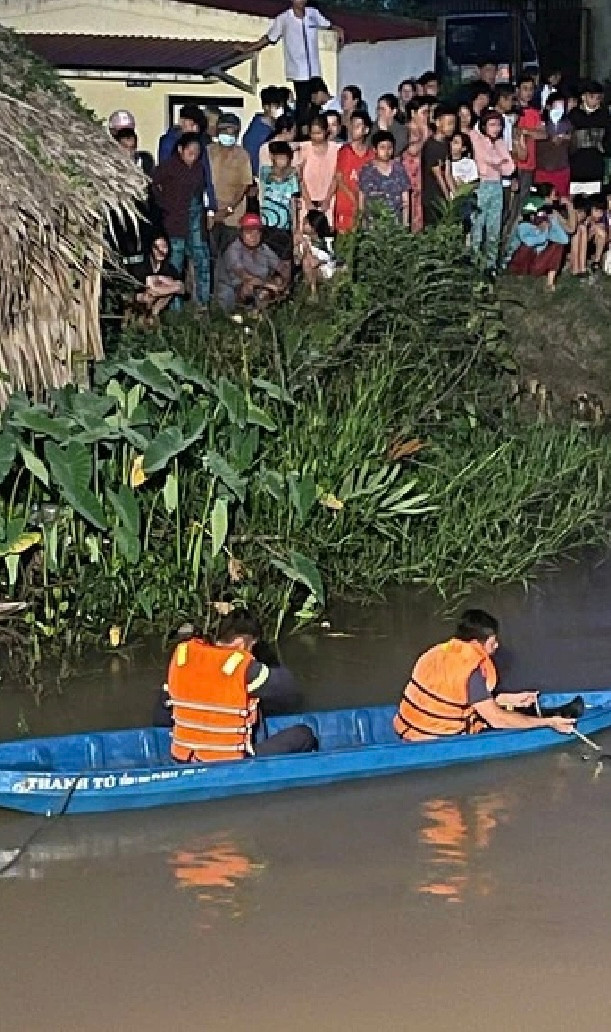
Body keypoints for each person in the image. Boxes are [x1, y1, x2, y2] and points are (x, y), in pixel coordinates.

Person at [393, 608, 576, 742]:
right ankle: (555, 717)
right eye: (493, 642)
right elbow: (496, 719)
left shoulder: (435, 653)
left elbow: (452, 695)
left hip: (406, 728)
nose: (496, 646)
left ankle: (549, 715)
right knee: (507, 721)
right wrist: (548, 723)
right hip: (434, 738)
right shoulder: (471, 668)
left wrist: (507, 700)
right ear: (476, 642)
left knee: (508, 710)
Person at [156, 611, 317, 760]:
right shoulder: (243, 667)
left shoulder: (183, 655)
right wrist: (267, 657)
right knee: (304, 734)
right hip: (228, 761)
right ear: (241, 644)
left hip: (183, 758)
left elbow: (161, 716)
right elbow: (291, 691)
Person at [248, 0, 345, 137]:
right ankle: (302, 133)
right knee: (303, 108)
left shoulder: (313, 14)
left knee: (319, 102)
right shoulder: (284, 19)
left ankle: (318, 131)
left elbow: (328, 25)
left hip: (315, 71)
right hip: (299, 73)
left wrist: (339, 30)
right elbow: (270, 37)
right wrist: (249, 48)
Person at [151, 133, 212, 309]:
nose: (193, 156)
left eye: (197, 153)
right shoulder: (168, 167)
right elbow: (153, 186)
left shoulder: (199, 169)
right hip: (174, 223)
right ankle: (174, 309)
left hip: (194, 222)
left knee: (202, 261)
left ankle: (203, 304)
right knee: (175, 267)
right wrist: (165, 205)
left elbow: (201, 193)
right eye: (190, 152)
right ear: (180, 150)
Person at [216, 213, 291, 313]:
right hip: (234, 292)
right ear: (241, 233)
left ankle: (263, 312)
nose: (253, 236)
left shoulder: (263, 248)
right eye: (249, 232)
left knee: (277, 280)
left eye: (257, 232)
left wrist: (283, 282)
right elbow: (244, 275)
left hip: (262, 288)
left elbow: (281, 267)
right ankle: (245, 311)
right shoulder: (233, 250)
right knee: (249, 287)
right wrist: (270, 286)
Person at [470, 108, 515, 270]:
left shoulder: (500, 143)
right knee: (477, 226)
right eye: (492, 125)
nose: (496, 128)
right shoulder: (477, 139)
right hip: (482, 185)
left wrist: (500, 161)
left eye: (499, 125)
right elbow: (487, 158)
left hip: (496, 185)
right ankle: (474, 263)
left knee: (494, 227)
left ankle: (491, 265)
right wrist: (499, 160)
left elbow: (509, 168)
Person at [207, 112, 253, 256]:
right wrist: (212, 211)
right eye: (225, 131)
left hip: (233, 214)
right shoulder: (208, 152)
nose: (228, 135)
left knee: (231, 257)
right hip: (210, 214)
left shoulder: (242, 155)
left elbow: (244, 185)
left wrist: (228, 209)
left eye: (232, 132)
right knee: (210, 256)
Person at [506, 197, 568, 290]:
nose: (544, 216)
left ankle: (550, 282)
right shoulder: (523, 226)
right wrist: (544, 232)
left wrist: (553, 224)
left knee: (557, 246)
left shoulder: (547, 223)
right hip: (519, 263)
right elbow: (529, 242)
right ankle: (519, 277)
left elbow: (564, 240)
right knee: (526, 248)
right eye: (541, 213)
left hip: (536, 263)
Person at [358, 130, 410, 228]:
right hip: (374, 226)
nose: (386, 151)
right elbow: (362, 200)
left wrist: (405, 224)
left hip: (395, 225)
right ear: (374, 149)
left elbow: (405, 199)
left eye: (389, 147)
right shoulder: (367, 171)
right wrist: (362, 225)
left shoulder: (399, 169)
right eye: (382, 147)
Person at [297, 112, 340, 228]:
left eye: (319, 133)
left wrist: (327, 199)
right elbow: (299, 177)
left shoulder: (335, 150)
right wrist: (308, 202)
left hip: (329, 201)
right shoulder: (304, 148)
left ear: (326, 131)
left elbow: (336, 176)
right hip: (307, 202)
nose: (315, 137)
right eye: (313, 133)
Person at [568, 80, 611, 196]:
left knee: (594, 202)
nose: (595, 100)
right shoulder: (574, 115)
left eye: (598, 97)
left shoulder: (604, 115)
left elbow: (608, 140)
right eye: (592, 96)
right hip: (576, 166)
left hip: (596, 166)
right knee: (576, 203)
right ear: (583, 97)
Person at [333, 110, 373, 233]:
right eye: (352, 125)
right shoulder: (345, 151)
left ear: (366, 130)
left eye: (357, 126)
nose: (353, 129)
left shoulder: (371, 154)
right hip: (346, 205)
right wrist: (353, 198)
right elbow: (339, 178)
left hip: (365, 207)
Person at [260, 141, 300, 258]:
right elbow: (271, 178)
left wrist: (295, 227)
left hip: (284, 225)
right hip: (267, 223)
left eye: (285, 158)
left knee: (284, 259)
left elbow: (293, 202)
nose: (283, 161)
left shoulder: (292, 178)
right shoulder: (265, 172)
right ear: (273, 157)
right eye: (280, 157)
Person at [131, 232, 185, 317]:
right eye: (157, 247)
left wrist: (160, 279)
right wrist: (165, 282)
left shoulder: (168, 267)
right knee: (149, 295)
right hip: (137, 294)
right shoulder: (143, 265)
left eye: (164, 246)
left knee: (167, 293)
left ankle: (154, 315)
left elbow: (181, 287)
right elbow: (152, 289)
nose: (161, 250)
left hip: (155, 296)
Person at [421, 104, 456, 228]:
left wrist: (456, 195)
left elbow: (447, 173)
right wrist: (447, 198)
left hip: (441, 197)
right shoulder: (431, 146)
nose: (452, 127)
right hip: (432, 197)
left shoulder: (446, 144)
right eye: (449, 123)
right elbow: (438, 175)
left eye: (453, 123)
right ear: (437, 122)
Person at [535, 92, 572, 199]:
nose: (559, 110)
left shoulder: (568, 125)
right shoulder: (540, 124)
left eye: (562, 107)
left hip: (561, 170)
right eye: (556, 106)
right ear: (548, 107)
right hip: (543, 170)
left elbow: (572, 144)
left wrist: (566, 138)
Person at [295, 209, 339, 294]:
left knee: (308, 262)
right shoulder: (303, 237)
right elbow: (297, 258)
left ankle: (313, 293)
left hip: (326, 271)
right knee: (306, 262)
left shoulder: (326, 241)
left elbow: (318, 262)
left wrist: (306, 248)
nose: (303, 225)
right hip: (307, 269)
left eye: (305, 223)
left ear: (313, 227)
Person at [242, 86, 284, 175]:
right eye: (277, 106)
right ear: (266, 107)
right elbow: (253, 164)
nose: (281, 109)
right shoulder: (254, 134)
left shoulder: (278, 126)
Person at [402, 123, 425, 233]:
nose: (413, 134)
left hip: (420, 195)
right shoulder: (401, 155)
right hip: (406, 195)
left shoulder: (424, 153)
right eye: (411, 131)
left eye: (416, 131)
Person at [371, 93, 408, 157]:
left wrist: (383, 131)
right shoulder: (372, 128)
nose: (379, 112)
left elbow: (393, 152)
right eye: (378, 109)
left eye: (383, 109)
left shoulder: (401, 130)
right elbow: (367, 149)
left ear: (393, 111)